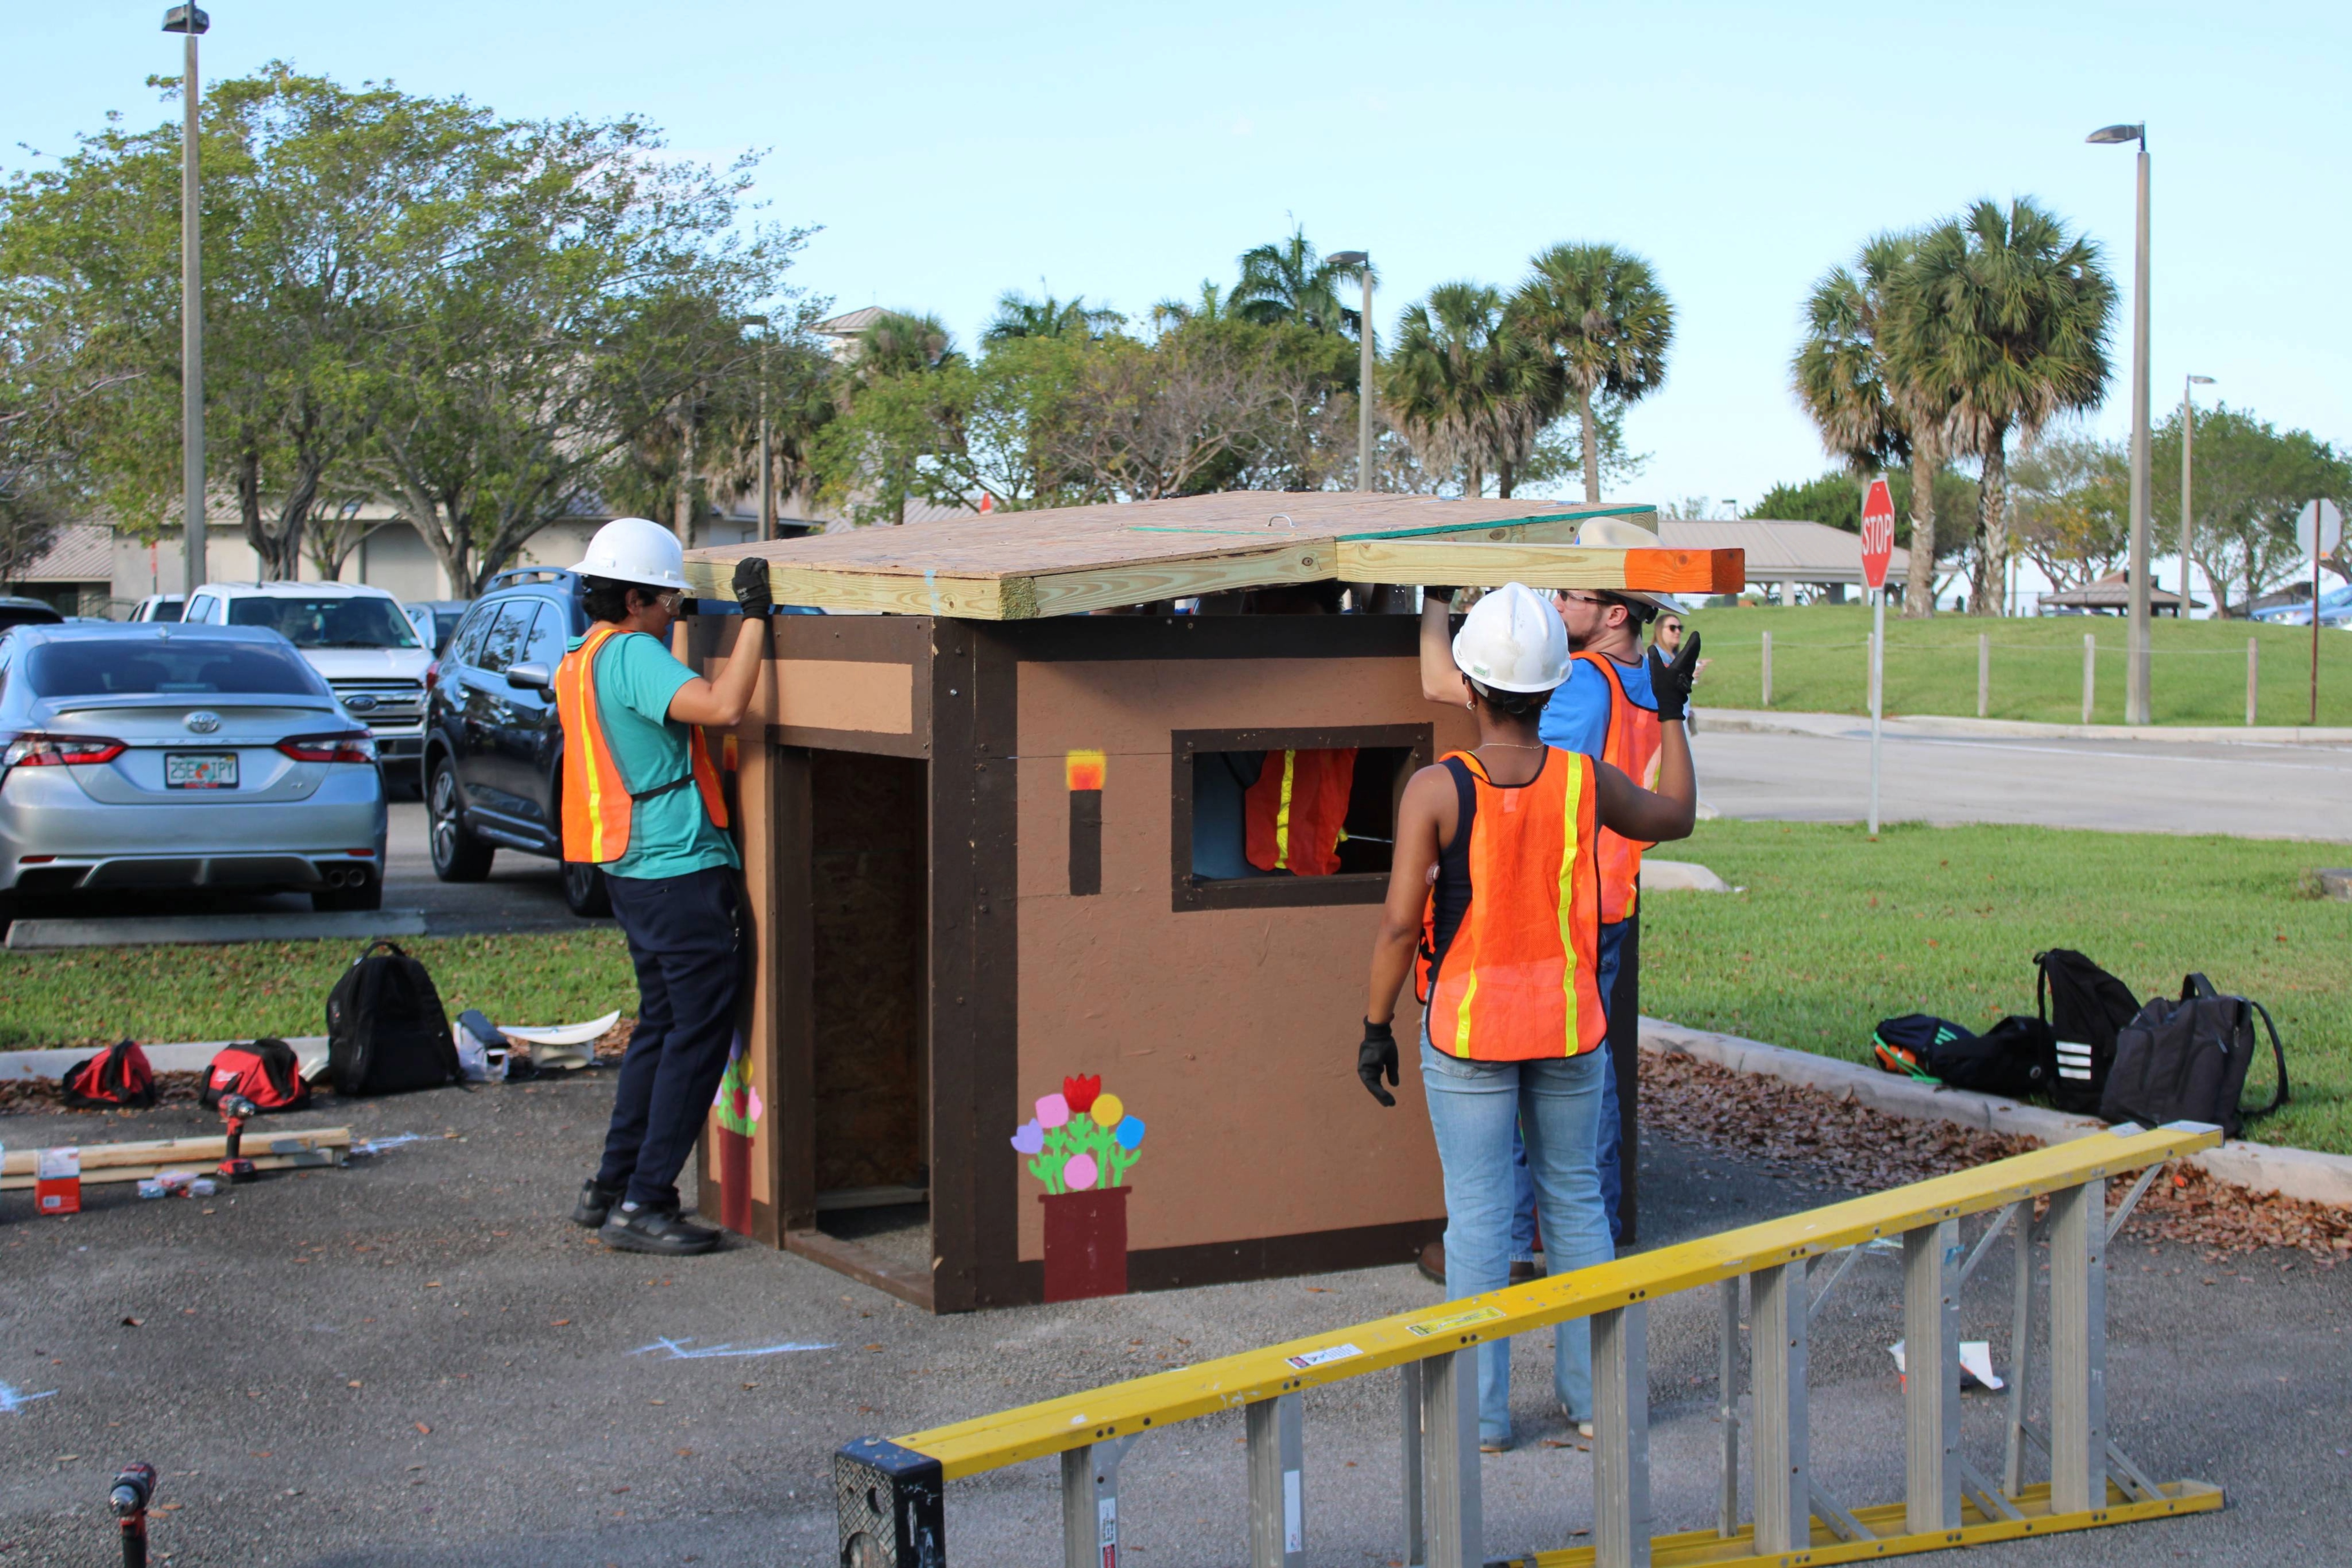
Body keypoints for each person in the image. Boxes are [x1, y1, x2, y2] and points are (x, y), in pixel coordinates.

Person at [1362, 583, 1699, 1452]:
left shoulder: (1437, 790)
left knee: (1476, 1218)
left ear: (1470, 687)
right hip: (1569, 1026)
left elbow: (1402, 922)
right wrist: (1670, 714)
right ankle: (1598, 1404)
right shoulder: (1586, 782)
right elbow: (1678, 816)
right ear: (1554, 689)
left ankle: (1479, 1419)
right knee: (1576, 1205)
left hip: (1468, 1031)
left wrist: (1374, 1023)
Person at [561, 516, 774, 1256]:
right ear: (632, 600)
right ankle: (647, 1205)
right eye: (666, 603)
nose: (673, 614)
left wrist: (689, 625)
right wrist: (755, 620)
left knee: (659, 1027)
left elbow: (670, 696)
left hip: (634, 873)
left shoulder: (584, 658)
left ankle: (609, 1188)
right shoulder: (630, 657)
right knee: (696, 1033)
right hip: (678, 871)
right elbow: (723, 709)